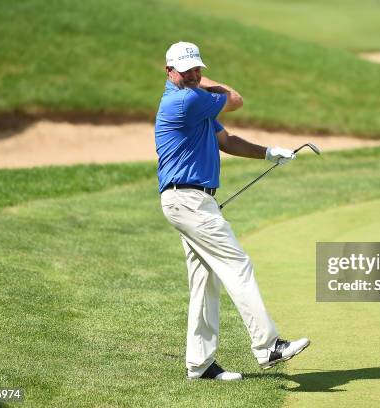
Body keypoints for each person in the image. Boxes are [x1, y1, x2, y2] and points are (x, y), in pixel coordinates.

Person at [155, 41, 310, 381]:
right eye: (186, 70)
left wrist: (269, 152)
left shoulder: (195, 105)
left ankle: (200, 364)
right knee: (237, 265)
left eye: (198, 68)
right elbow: (236, 99)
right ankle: (267, 345)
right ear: (169, 72)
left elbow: (227, 141)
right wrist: (205, 83)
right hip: (189, 201)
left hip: (191, 201)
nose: (195, 75)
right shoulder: (188, 100)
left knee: (204, 280)